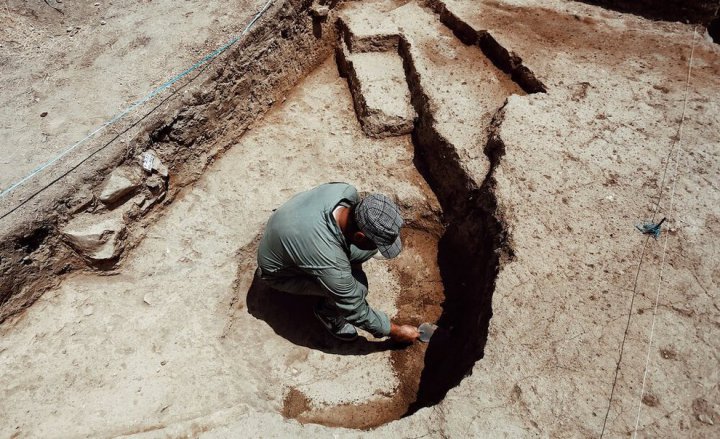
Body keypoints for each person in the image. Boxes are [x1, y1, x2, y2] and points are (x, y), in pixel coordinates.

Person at [256, 182, 420, 343]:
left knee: (364, 252)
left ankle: (335, 276)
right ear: (359, 236)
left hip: (290, 226)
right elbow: (356, 311)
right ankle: (327, 312)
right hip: (279, 274)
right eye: (377, 242)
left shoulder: (345, 192)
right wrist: (396, 331)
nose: (379, 248)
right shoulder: (329, 257)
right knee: (358, 288)